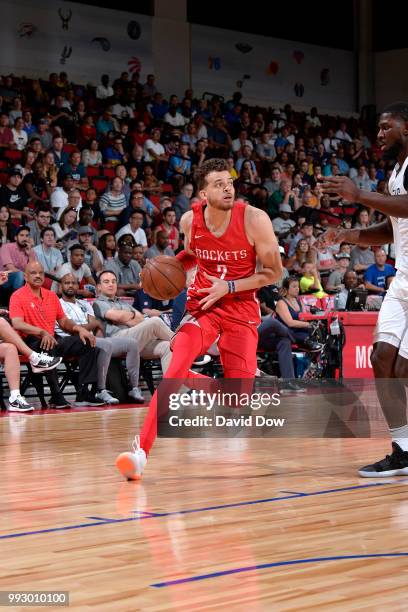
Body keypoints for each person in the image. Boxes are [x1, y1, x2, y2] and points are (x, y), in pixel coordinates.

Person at [115, 158, 282, 480]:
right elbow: (192, 254)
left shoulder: (254, 219)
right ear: (203, 194)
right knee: (175, 366)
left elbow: (274, 272)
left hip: (242, 309)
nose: (227, 188)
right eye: (218, 184)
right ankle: (140, 454)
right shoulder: (190, 221)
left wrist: (230, 286)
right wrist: (166, 270)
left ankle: (202, 384)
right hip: (204, 304)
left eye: (229, 182)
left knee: (238, 400)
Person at [318, 102, 408, 477]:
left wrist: (358, 196)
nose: (380, 133)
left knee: (403, 367)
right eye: (378, 128)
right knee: (381, 358)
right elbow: (393, 226)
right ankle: (402, 448)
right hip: (403, 279)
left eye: (387, 127)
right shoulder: (394, 174)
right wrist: (349, 235)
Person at [9, 262, 102, 409]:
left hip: (52, 338)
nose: (38, 276)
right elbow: (17, 324)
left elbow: (63, 321)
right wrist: (41, 332)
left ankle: (84, 392)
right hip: (30, 341)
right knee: (49, 345)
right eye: (33, 273)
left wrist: (79, 329)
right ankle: (56, 395)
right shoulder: (17, 296)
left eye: (41, 273)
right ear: (25, 276)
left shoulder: (51, 295)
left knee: (88, 343)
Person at [58, 273, 144, 404]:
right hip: (73, 341)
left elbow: (97, 326)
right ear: (60, 287)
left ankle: (134, 388)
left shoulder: (84, 304)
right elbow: (71, 328)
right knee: (105, 345)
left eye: (74, 282)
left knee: (132, 343)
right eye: (67, 283)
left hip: (93, 339)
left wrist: (93, 327)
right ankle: (101, 390)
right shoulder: (58, 304)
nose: (71, 285)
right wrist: (91, 325)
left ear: (78, 286)